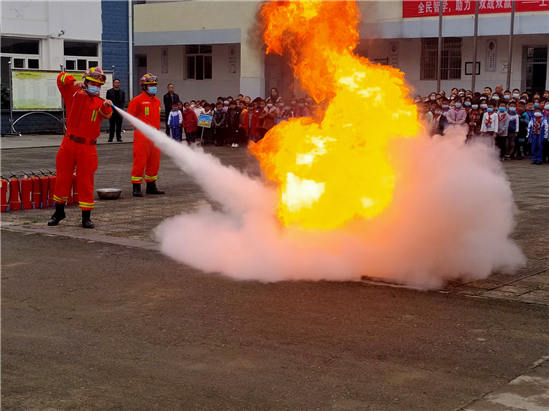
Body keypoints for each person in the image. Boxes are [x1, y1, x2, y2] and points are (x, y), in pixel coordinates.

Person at [48, 67, 113, 229]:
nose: (96, 87)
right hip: (68, 144)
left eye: (99, 85)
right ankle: (58, 212)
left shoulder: (100, 103)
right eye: (92, 83)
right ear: (85, 82)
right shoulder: (73, 93)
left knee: (86, 181)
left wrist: (106, 105)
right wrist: (73, 82)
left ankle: (86, 217)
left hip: (87, 147)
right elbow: (61, 78)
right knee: (63, 178)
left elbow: (107, 114)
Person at [128, 73, 165, 197]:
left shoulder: (157, 101)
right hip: (142, 137)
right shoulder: (137, 100)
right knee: (140, 162)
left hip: (155, 136)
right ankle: (136, 186)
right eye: (151, 85)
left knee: (154, 162)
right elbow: (130, 117)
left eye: (155, 85)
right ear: (144, 86)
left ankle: (151, 185)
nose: (154, 87)